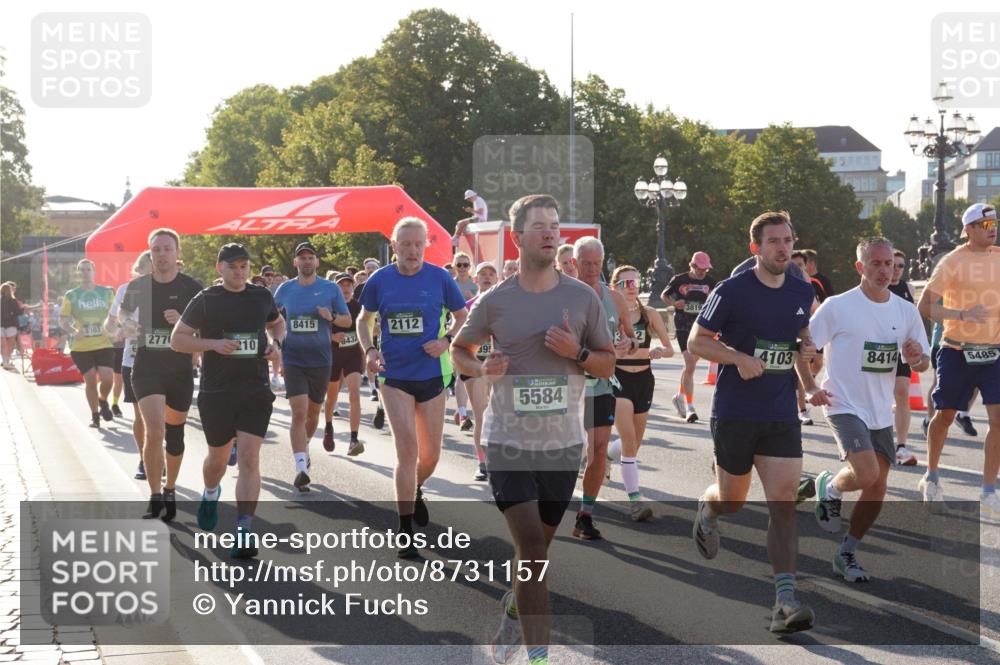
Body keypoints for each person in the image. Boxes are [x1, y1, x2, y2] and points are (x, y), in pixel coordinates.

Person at [451, 193, 614, 665]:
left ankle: (514, 606)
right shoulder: (495, 300)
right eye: (539, 225)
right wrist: (482, 367)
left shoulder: (582, 298)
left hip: (562, 446)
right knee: (533, 550)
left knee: (536, 552)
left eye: (554, 225)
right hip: (508, 442)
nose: (549, 232)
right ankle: (539, 657)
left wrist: (577, 353)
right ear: (517, 237)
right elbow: (460, 350)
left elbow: (606, 366)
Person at [689, 210, 818, 633]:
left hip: (780, 412)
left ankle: (784, 601)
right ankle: (709, 508)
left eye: (787, 240)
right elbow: (696, 341)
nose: (783, 248)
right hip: (736, 412)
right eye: (774, 241)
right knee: (734, 500)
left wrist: (810, 374)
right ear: (756, 249)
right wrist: (738, 357)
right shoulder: (732, 290)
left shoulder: (800, 290)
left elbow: (798, 342)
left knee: (782, 506)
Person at [802, 237, 930, 582]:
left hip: (879, 410)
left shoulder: (905, 310)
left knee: (877, 487)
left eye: (889, 263)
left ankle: (847, 552)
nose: (884, 270)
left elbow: (921, 364)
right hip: (842, 402)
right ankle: (829, 487)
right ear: (860, 267)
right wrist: (810, 386)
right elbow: (805, 346)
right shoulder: (838, 306)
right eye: (875, 263)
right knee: (868, 472)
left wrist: (917, 357)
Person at [357, 217, 468, 558]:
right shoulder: (381, 280)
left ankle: (416, 487)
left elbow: (462, 315)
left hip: (432, 374)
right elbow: (364, 320)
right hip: (395, 376)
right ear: (395, 247)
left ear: (425, 246)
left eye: (418, 244)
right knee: (407, 451)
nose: (413, 251)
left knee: (430, 455)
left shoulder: (440, 278)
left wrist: (446, 341)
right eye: (405, 244)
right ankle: (404, 531)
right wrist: (370, 350)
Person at [175, 243, 284, 558]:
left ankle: (244, 529)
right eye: (233, 266)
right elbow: (178, 339)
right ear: (219, 268)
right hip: (217, 392)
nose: (239, 272)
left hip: (255, 389)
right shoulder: (206, 299)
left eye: (244, 266)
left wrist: (276, 343)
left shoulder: (261, 296)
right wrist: (213, 344)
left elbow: (277, 322)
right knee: (217, 462)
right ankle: (210, 493)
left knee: (250, 459)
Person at [112, 228, 203, 521]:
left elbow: (207, 330)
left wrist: (184, 323)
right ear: (150, 254)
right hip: (146, 367)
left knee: (175, 436)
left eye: (167, 249)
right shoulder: (139, 286)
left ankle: (170, 487)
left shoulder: (192, 287)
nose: (162, 255)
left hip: (179, 370)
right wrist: (127, 325)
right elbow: (122, 316)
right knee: (155, 430)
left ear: (177, 253)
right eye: (157, 250)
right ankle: (154, 496)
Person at [916, 202, 1000, 518]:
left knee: (998, 422)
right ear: (969, 230)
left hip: (994, 353)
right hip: (956, 351)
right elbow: (925, 307)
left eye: (994, 224)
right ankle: (932, 476)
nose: (992, 230)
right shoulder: (952, 261)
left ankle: (989, 491)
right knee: (946, 416)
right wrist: (962, 314)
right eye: (985, 225)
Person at [573, 235, 637, 540]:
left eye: (596, 263)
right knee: (559, 453)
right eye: (585, 263)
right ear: (574, 263)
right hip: (568, 387)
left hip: (600, 385)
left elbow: (630, 335)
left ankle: (585, 514)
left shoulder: (614, 297)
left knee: (598, 451)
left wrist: (628, 342)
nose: (591, 268)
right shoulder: (562, 295)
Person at [274, 242, 351, 491]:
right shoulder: (285, 289)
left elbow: (347, 320)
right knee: (298, 412)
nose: (306, 261)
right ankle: (300, 467)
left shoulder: (330, 289)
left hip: (321, 360)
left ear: (317, 262)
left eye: (310, 258)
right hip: (294, 358)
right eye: (302, 258)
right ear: (296, 263)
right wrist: (274, 342)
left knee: (313, 413)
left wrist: (331, 318)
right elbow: (270, 317)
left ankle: (304, 447)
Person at [610, 265, 673, 520]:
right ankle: (635, 500)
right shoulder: (610, 314)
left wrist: (658, 352)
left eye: (635, 281)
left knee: (635, 443)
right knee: (628, 441)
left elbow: (670, 349)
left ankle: (605, 454)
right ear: (615, 287)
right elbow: (611, 352)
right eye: (625, 283)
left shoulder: (651, 313)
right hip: (619, 378)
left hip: (644, 379)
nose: (631, 286)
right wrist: (641, 352)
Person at [106, 251, 153, 478]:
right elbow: (110, 323)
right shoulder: (127, 289)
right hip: (133, 358)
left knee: (162, 417)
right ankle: (145, 460)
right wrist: (121, 331)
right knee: (141, 414)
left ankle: (157, 455)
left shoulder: (171, 288)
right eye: (150, 267)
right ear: (140, 268)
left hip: (165, 359)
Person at [661, 251, 717, 424]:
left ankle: (679, 396)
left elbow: (717, 301)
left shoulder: (710, 282)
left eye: (705, 269)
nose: (703, 272)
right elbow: (664, 295)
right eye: (700, 269)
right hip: (683, 325)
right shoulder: (679, 279)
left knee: (690, 367)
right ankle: (690, 407)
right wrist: (674, 303)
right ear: (692, 266)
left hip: (701, 327)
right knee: (690, 364)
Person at [60, 260, 116, 428]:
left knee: (108, 379)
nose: (85, 272)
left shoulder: (106, 292)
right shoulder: (71, 295)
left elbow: (114, 316)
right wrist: (74, 332)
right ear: (78, 274)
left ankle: (103, 400)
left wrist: (117, 329)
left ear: (94, 271)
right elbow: (62, 321)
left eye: (88, 269)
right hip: (82, 346)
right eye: (81, 270)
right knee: (90, 380)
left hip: (104, 342)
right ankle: (95, 415)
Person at [458, 261, 499, 481]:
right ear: (476, 279)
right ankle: (483, 463)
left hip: (498, 365)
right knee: (482, 415)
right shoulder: (468, 306)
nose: (487, 277)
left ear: (497, 279)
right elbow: (456, 336)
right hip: (474, 364)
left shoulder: (506, 305)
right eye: (482, 273)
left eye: (491, 273)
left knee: (501, 415)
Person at [324, 272, 366, 456]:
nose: (346, 289)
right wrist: (332, 336)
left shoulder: (359, 307)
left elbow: (367, 328)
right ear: (336, 288)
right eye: (342, 285)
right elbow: (318, 332)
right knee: (331, 397)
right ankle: (328, 427)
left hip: (353, 355)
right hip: (333, 356)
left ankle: (354, 439)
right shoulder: (329, 307)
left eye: (349, 285)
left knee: (354, 394)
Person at [888, 250, 919, 465]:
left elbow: (913, 318)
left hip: (901, 350)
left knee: (902, 393)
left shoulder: (908, 288)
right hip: (878, 350)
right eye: (893, 265)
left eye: (901, 265)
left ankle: (901, 446)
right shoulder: (875, 287)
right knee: (876, 397)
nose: (897, 270)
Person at [1, 282, 26, 370]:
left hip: (1, 325)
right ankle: (7, 361)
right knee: (10, 344)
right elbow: (19, 313)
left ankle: (5, 361)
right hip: (11, 324)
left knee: (3, 344)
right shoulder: (13, 300)